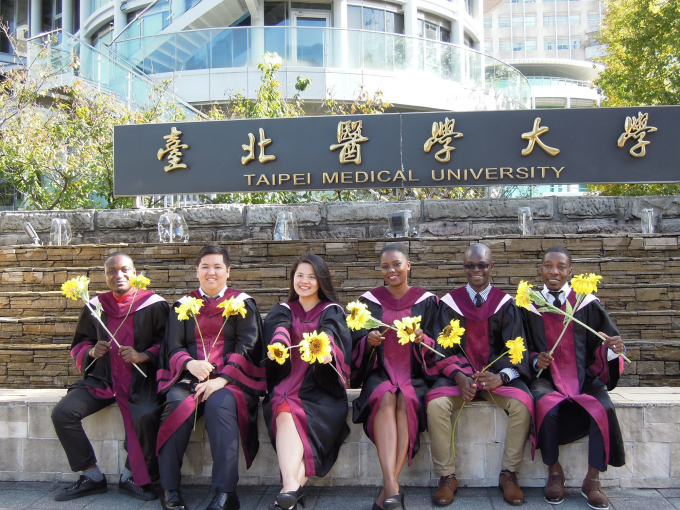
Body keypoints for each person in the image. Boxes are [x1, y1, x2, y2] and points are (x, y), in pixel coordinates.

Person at [52, 252, 169, 502]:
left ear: (135, 273)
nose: (118, 275)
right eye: (111, 271)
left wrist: (143, 355)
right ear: (104, 276)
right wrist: (92, 351)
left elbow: (168, 344)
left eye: (125, 269)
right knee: (63, 413)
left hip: (141, 380)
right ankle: (91, 476)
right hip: (103, 379)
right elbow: (80, 343)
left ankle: (131, 477)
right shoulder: (95, 306)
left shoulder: (154, 304)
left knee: (146, 413)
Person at [155, 244, 265, 510]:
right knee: (178, 405)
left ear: (228, 271)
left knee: (220, 406)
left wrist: (222, 379)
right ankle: (169, 488)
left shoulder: (242, 304)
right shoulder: (183, 305)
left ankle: (226, 494)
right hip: (189, 378)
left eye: (217, 267)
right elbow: (173, 345)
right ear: (197, 271)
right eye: (205, 267)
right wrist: (189, 363)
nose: (211, 272)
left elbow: (248, 346)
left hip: (230, 380)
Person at [425, 243, 533, 507]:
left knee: (522, 404)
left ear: (491, 267)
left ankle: (509, 474)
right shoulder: (449, 304)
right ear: (464, 268)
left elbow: (517, 346)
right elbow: (442, 347)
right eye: (471, 265)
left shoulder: (506, 304)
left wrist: (501, 377)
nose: (477, 270)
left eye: (482, 265)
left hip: (495, 380)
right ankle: (447, 476)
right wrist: (461, 378)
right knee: (436, 404)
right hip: (460, 381)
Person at [522, 246, 626, 509]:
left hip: (585, 377)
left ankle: (592, 479)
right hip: (546, 377)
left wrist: (613, 349)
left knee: (604, 407)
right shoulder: (528, 305)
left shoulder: (585, 303)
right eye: (548, 266)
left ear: (570, 272)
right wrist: (535, 359)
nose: (553, 271)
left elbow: (604, 343)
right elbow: (517, 344)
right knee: (543, 405)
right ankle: (554, 472)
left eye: (560, 267)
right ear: (541, 269)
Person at [351, 243, 438, 510]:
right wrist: (369, 341)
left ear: (408, 265)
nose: (391, 270)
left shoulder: (427, 301)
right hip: (381, 373)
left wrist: (425, 339)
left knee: (406, 401)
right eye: (385, 266)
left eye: (397, 264)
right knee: (385, 398)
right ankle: (392, 488)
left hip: (415, 374)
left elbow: (441, 343)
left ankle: (388, 490)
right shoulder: (367, 302)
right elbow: (354, 342)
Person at [263, 254, 352, 510]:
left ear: (321, 281)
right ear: (292, 279)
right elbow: (279, 327)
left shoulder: (331, 311)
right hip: (287, 384)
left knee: (288, 402)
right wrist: (279, 343)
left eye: (311, 277)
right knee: (283, 400)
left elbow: (330, 333)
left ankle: (288, 491)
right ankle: (291, 491)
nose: (304, 281)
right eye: (299, 275)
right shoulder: (283, 309)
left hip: (320, 390)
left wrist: (326, 352)